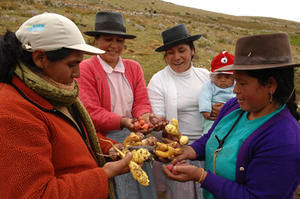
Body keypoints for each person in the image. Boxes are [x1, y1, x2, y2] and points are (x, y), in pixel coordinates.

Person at [0, 13, 133, 199]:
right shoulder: (12, 114)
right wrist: (104, 174)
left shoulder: (53, 92)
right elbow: (36, 194)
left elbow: (74, 136)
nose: (78, 73)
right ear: (40, 58)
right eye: (72, 64)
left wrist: (108, 148)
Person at [162, 33, 300, 199]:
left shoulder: (284, 140)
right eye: (235, 81)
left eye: (242, 83)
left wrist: (201, 176)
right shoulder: (234, 107)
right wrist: (189, 150)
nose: (235, 90)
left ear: (270, 84)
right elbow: (212, 137)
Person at [76, 11, 157, 199]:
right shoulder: (86, 69)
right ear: (96, 40)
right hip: (106, 140)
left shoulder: (134, 67)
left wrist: (145, 117)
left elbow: (141, 102)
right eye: (108, 39)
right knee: (123, 187)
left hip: (135, 136)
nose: (114, 46)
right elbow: (91, 112)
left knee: (144, 184)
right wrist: (123, 121)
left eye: (119, 41)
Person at [147, 24, 222, 199]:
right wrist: (164, 129)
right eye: (170, 53)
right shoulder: (158, 81)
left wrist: (220, 109)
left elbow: (225, 98)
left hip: (209, 147)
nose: (177, 57)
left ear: (192, 51)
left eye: (182, 50)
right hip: (179, 151)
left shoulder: (206, 76)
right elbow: (158, 120)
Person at [198, 51, 235, 134]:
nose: (223, 80)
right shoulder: (210, 85)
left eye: (227, 77)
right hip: (212, 109)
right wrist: (205, 110)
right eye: (219, 76)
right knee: (210, 127)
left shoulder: (236, 86)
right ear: (213, 76)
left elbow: (238, 99)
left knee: (230, 128)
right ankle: (208, 136)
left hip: (230, 108)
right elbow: (204, 97)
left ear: (234, 77)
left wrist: (228, 108)